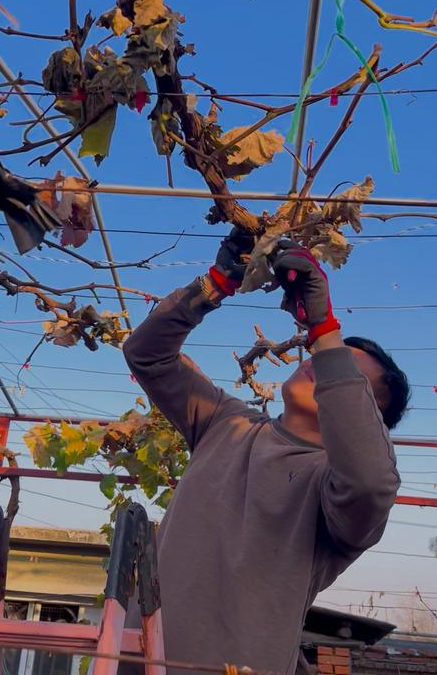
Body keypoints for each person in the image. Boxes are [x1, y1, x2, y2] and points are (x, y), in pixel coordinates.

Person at [122, 231, 410, 675]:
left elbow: (371, 481)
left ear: (359, 411)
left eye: (346, 371)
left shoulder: (337, 494)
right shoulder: (226, 422)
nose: (318, 358)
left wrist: (325, 330)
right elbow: (147, 356)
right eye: (324, 354)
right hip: (129, 660)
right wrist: (216, 284)